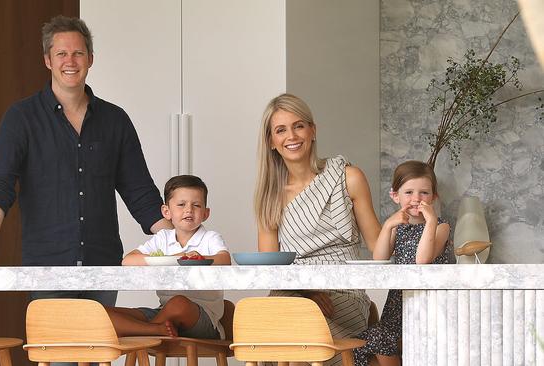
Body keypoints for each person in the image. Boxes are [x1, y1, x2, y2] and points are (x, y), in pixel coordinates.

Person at [0, 15, 171, 307]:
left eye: (78, 53)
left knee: (97, 352)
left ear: (90, 58)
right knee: (61, 353)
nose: (70, 61)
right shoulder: (21, 118)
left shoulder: (116, 121)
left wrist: (181, 247)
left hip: (103, 268)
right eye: (61, 53)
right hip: (46, 269)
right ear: (48, 61)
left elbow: (140, 194)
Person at [254, 93, 381, 365]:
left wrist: (404, 224)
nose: (292, 135)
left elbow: (378, 247)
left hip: (342, 292)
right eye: (281, 130)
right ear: (271, 142)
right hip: (292, 294)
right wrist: (306, 290)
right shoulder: (270, 196)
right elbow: (270, 269)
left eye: (299, 125)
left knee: (299, 341)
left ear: (313, 130)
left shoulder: (348, 177)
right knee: (263, 332)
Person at [353, 160, 452, 366]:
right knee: (361, 343)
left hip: (427, 306)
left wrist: (431, 221)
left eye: (424, 193)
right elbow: (379, 258)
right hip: (398, 305)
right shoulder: (398, 228)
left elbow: (422, 260)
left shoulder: (441, 228)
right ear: (395, 196)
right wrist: (389, 224)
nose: (416, 199)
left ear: (433, 197)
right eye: (409, 193)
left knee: (380, 337)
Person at [108, 175, 231, 339]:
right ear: (167, 212)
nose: (189, 210)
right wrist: (175, 257)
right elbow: (128, 260)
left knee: (179, 303)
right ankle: (154, 329)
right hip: (164, 313)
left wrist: (200, 258)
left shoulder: (210, 238)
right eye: (181, 205)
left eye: (196, 205)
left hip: (202, 319)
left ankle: (147, 331)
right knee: (101, 313)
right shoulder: (163, 238)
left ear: (205, 213)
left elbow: (225, 259)